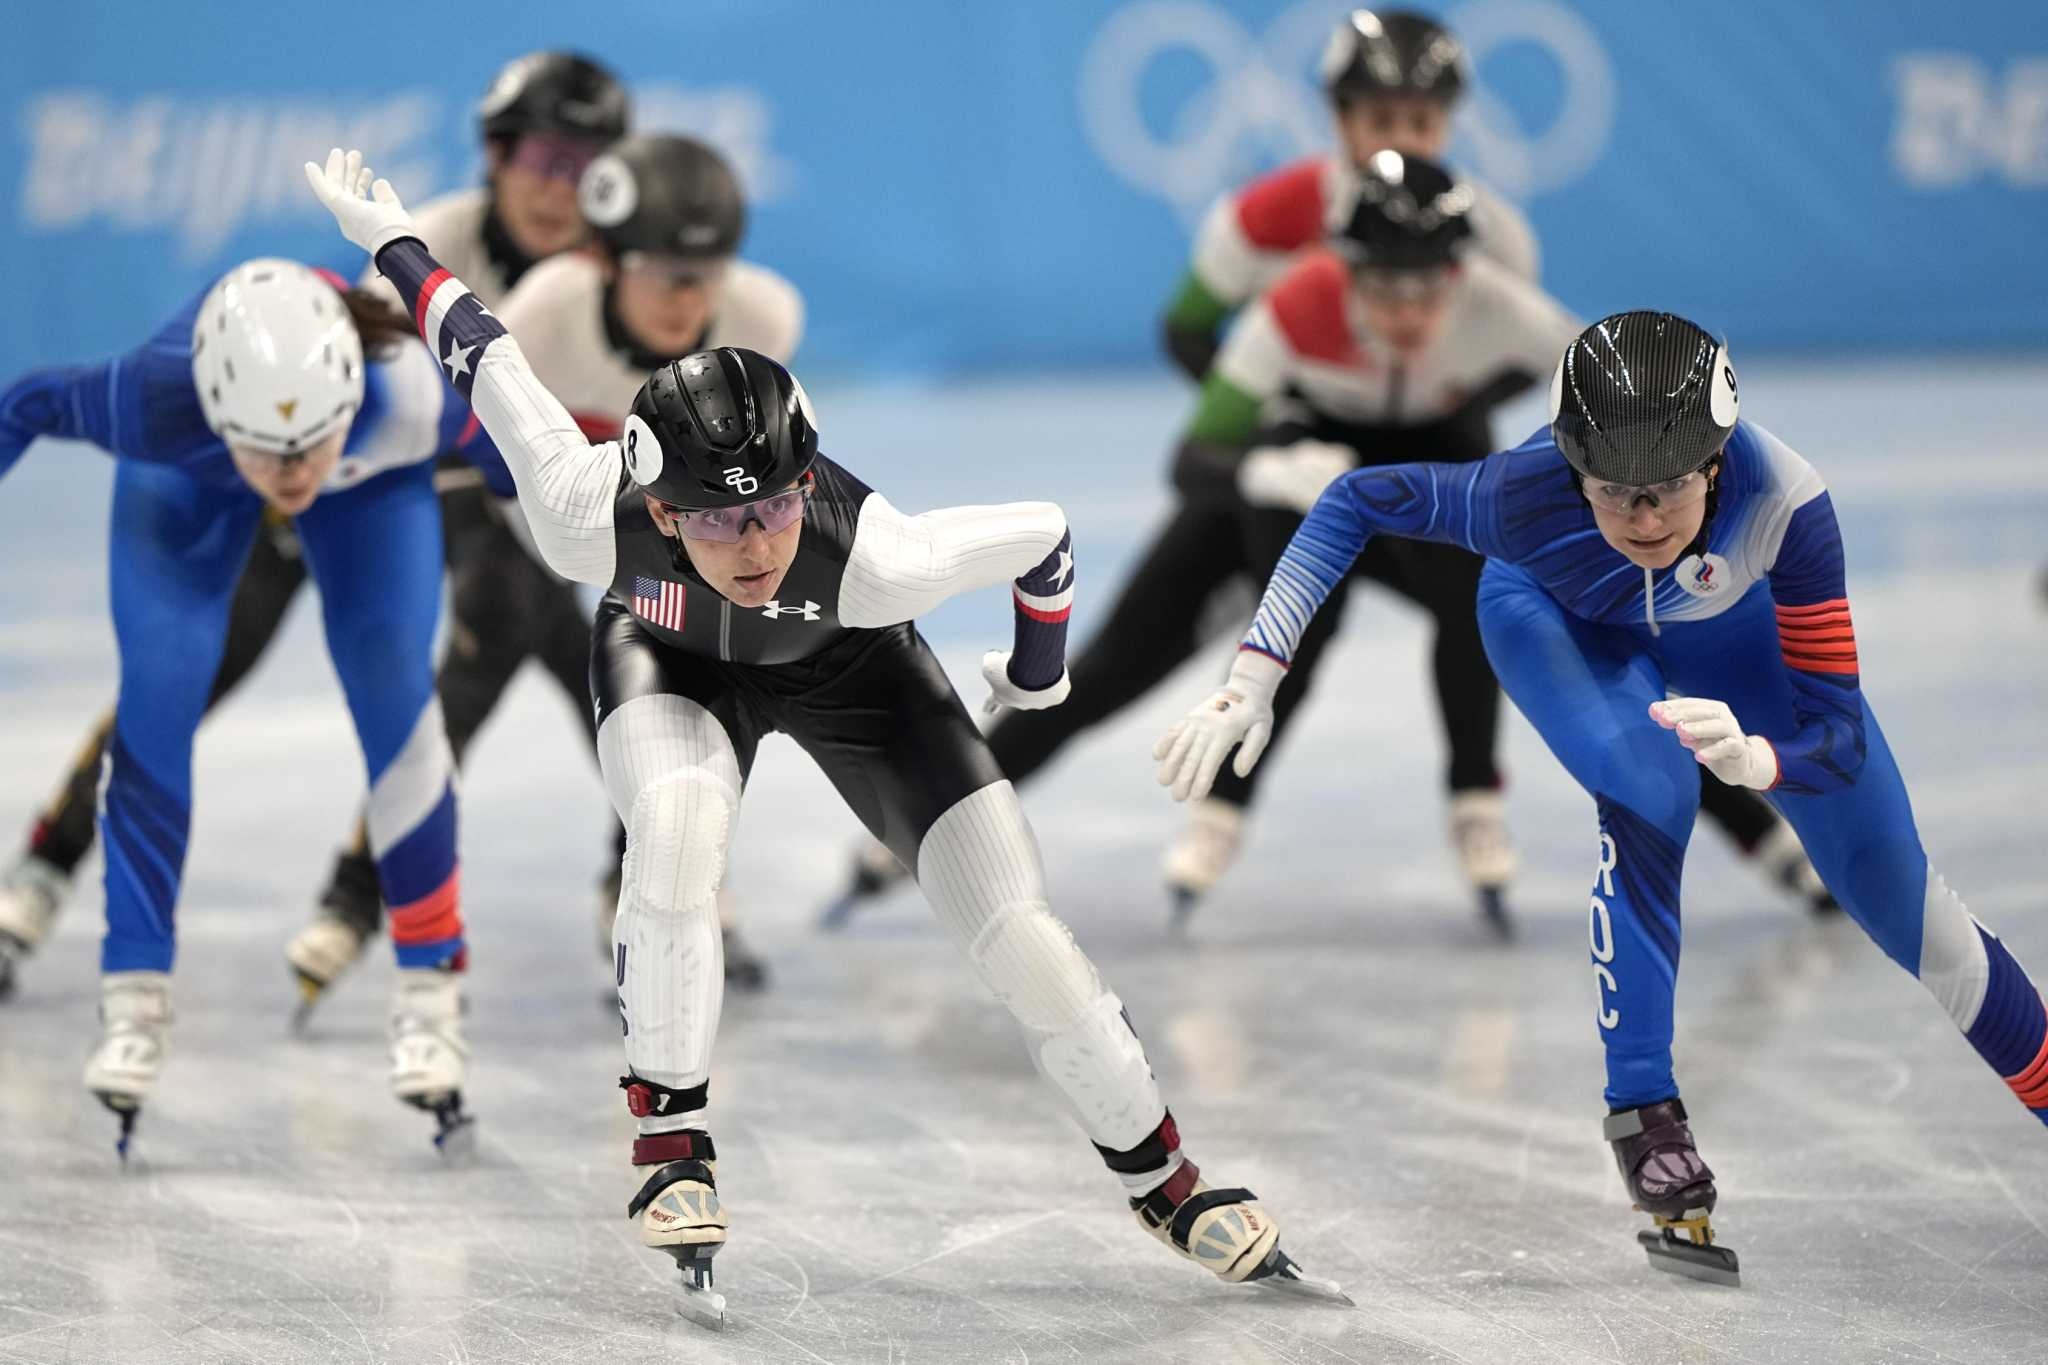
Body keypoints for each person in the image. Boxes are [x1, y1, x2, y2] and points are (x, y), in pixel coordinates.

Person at [308, 147, 1347, 1326]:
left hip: (857, 667)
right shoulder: (577, 510)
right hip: (669, 657)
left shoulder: (876, 556)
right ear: (657, 511)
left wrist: (1036, 675)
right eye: (716, 519)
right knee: (676, 830)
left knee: (1018, 933)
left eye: (776, 506)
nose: (755, 545)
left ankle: (1167, 1183)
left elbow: (1046, 539)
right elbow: (482, 350)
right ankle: (670, 1142)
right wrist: (388, 241)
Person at [1155, 311, 2048, 1285]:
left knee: (1908, 906)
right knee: (1650, 786)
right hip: (1555, 620)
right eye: (1613, 493)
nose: (1643, 519)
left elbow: (1830, 735)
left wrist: (1760, 763)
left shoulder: (1787, 505)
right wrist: (1253, 675)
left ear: (1713, 466)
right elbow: (1348, 502)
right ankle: (1644, 1116)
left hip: (1734, 645)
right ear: (1570, 469)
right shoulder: (1517, 496)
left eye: (1666, 489)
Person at [822, 154, 1830, 930]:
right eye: (1377, 288)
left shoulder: (1508, 311)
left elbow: (1628, 399)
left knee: (1580, 638)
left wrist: (1494, 418)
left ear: (1462, 272)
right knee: (1106, 672)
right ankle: (913, 837)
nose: (1402, 313)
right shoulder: (1292, 305)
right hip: (1293, 499)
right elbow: (1192, 459)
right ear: (1335, 266)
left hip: (1429, 494)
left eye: (1426, 288)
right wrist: (1259, 468)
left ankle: (1713, 833)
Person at [0, 51, 629, 1014]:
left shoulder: (614, 279)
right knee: (193, 675)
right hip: (340, 474)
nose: (560, 188)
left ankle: (634, 879)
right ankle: (43, 873)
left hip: (474, 486)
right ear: (495, 156)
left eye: (586, 166)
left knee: (572, 640)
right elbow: (326, 383)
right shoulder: (430, 243)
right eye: (545, 157)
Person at [0, 258, 493, 1153]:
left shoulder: (405, 392)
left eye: (308, 445)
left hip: (370, 475)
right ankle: (134, 993)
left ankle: (431, 985)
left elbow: (525, 450)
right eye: (270, 450)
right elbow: (27, 402)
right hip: (188, 471)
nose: (293, 472)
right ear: (226, 416)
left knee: (394, 688)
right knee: (160, 685)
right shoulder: (151, 398)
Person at [494, 131, 804, 983]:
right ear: (605, 263)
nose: (686, 300)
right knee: (481, 664)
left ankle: (672, 883)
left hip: (661, 529)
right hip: (533, 517)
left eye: (703, 278)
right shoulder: (544, 313)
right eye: (663, 275)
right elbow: (476, 450)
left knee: (700, 682)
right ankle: (373, 906)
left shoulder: (763, 315)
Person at [1159, 7, 1537, 383]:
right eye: (1381, 120)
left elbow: (1526, 348)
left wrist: (1452, 404)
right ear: (1341, 120)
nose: (1403, 141)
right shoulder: (1264, 215)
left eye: (1421, 123)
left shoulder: (1496, 231)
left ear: (1447, 124)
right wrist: (1264, 407)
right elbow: (1185, 332)